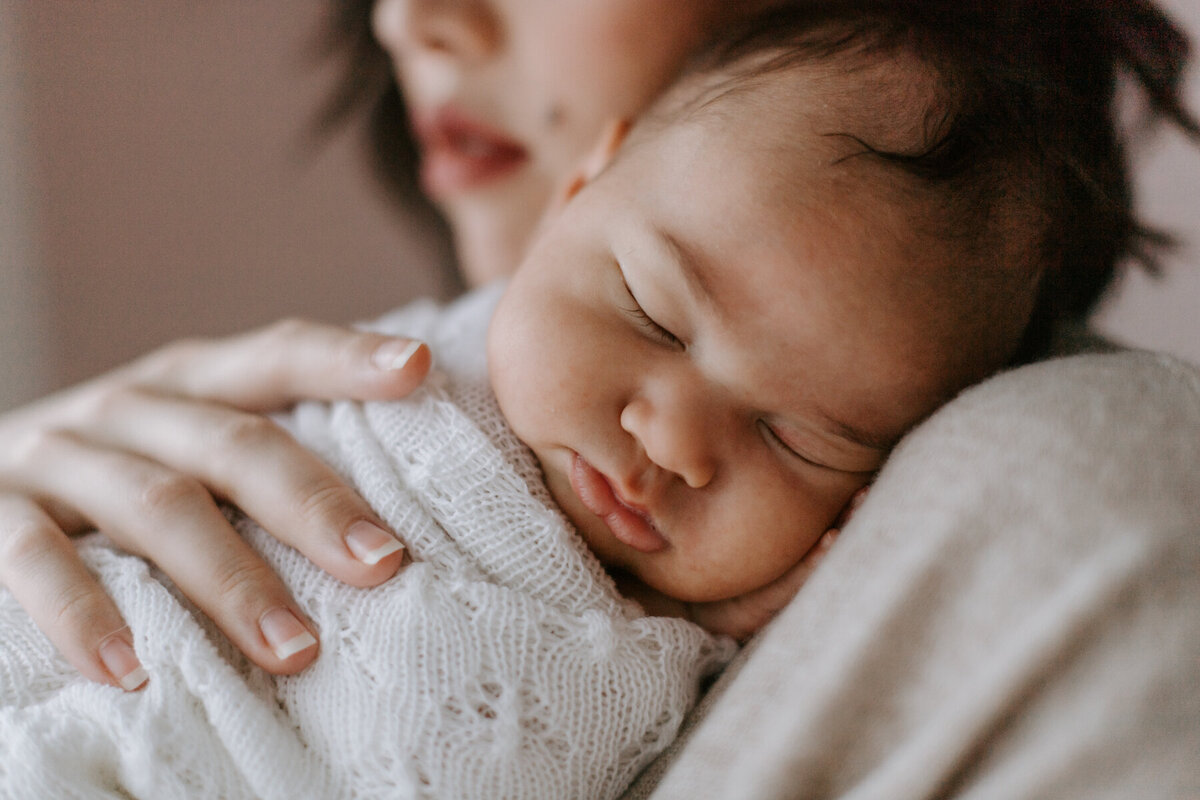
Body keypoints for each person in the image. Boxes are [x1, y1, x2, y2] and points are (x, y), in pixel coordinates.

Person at [0, 0, 1194, 763]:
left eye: (804, 436)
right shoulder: (397, 377)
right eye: (650, 307)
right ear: (596, 188)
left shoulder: (1075, 476)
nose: (412, 19)